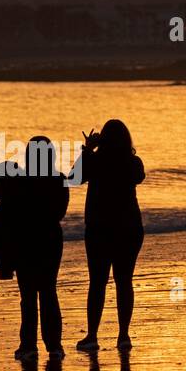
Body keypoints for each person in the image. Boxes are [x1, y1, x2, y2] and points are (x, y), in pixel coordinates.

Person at [0, 137, 69, 361]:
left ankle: (28, 345)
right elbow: (59, 213)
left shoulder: (20, 179)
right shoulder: (58, 179)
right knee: (48, 292)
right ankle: (54, 345)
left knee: (28, 295)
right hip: (50, 239)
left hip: (24, 239)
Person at [70, 120, 144, 353]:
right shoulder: (132, 162)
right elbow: (138, 177)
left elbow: (74, 178)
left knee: (97, 283)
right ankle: (123, 335)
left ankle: (92, 335)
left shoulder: (95, 160)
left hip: (99, 228)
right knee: (124, 281)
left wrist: (87, 149)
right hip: (129, 228)